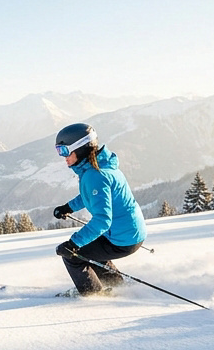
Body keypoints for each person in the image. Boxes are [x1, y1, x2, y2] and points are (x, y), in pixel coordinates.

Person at [50, 122, 146, 296]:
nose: (63, 157)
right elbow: (91, 196)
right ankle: (116, 284)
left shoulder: (95, 176)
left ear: (80, 149)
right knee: (90, 249)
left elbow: (102, 220)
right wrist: (68, 207)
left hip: (122, 238)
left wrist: (73, 244)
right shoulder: (101, 167)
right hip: (130, 232)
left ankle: (93, 294)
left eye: (64, 151)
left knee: (73, 256)